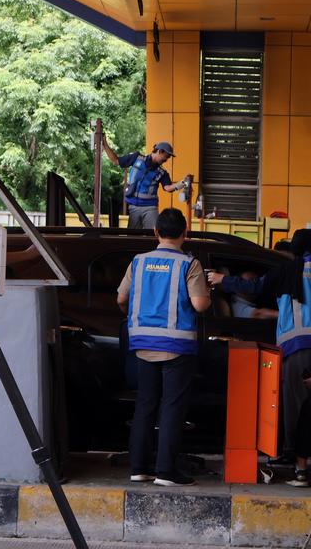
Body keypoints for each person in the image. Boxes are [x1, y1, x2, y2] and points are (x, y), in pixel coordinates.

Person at [207, 229, 311, 484]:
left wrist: (222, 280)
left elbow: (255, 287)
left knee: (295, 405)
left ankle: (291, 454)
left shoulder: (287, 269)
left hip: (295, 344)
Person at [116, 208, 211, 486]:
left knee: (145, 405)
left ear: (156, 232)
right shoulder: (188, 264)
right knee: (171, 406)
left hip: (143, 344)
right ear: (185, 233)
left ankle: (138, 468)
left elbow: (121, 299)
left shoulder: (138, 262)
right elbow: (199, 304)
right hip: (176, 347)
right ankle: (166, 471)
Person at [102, 138, 187, 229]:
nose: (166, 159)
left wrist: (182, 183)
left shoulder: (162, 172)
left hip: (150, 207)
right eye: (166, 156)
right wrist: (105, 145)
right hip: (133, 206)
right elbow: (115, 161)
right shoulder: (136, 158)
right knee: (132, 237)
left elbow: (168, 188)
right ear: (160, 151)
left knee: (153, 235)